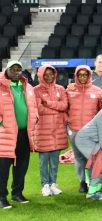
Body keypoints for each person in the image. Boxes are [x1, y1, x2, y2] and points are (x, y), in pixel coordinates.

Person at [0, 60, 38, 209]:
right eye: (13, 69)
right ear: (7, 70)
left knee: (22, 165)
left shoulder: (28, 87)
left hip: (24, 134)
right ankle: (2, 197)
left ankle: (17, 193)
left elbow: (33, 106)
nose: (16, 72)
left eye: (18, 69)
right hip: (6, 134)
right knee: (3, 168)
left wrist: (35, 118)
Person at [66, 65, 102, 193]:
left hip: (90, 132)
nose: (82, 77)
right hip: (74, 130)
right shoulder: (69, 91)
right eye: (80, 75)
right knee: (79, 158)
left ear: (89, 76)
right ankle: (83, 182)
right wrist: (68, 123)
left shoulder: (97, 91)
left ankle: (94, 182)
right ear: (76, 76)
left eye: (85, 75)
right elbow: (64, 108)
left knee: (93, 158)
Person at [33, 65, 68, 197]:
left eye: (51, 74)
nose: (49, 76)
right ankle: (45, 185)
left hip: (57, 129)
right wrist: (56, 107)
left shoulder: (60, 88)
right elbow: (39, 109)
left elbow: (64, 106)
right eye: (46, 74)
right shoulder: (35, 90)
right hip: (42, 129)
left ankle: (53, 184)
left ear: (55, 74)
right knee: (43, 161)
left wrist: (48, 103)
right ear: (40, 75)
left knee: (54, 161)